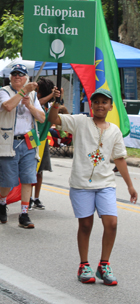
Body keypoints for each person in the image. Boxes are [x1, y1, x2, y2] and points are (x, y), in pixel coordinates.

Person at [49, 88, 137, 285]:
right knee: (86, 225)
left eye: (104, 102)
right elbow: (53, 119)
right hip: (81, 184)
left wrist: (130, 186)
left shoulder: (114, 130)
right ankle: (84, 265)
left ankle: (104, 264)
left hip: (105, 184)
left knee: (111, 223)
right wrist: (56, 101)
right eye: (96, 101)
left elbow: (120, 159)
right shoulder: (80, 122)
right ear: (91, 105)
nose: (100, 105)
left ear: (110, 106)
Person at [0, 64, 45, 229]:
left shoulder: (32, 95)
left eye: (21, 74)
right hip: (9, 141)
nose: (17, 77)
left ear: (26, 78)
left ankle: (24, 213)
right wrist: (23, 92)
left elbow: (42, 118)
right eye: (14, 74)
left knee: (28, 178)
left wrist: (29, 105)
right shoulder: (3, 92)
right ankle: (2, 201)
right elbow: (8, 106)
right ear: (10, 77)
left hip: (29, 140)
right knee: (8, 179)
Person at [30, 77, 58, 211]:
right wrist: (52, 95)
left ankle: (36, 198)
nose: (36, 92)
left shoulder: (49, 105)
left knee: (39, 172)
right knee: (30, 171)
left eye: (38, 91)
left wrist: (57, 97)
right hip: (31, 140)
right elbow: (39, 102)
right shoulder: (36, 102)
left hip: (43, 141)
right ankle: (28, 198)